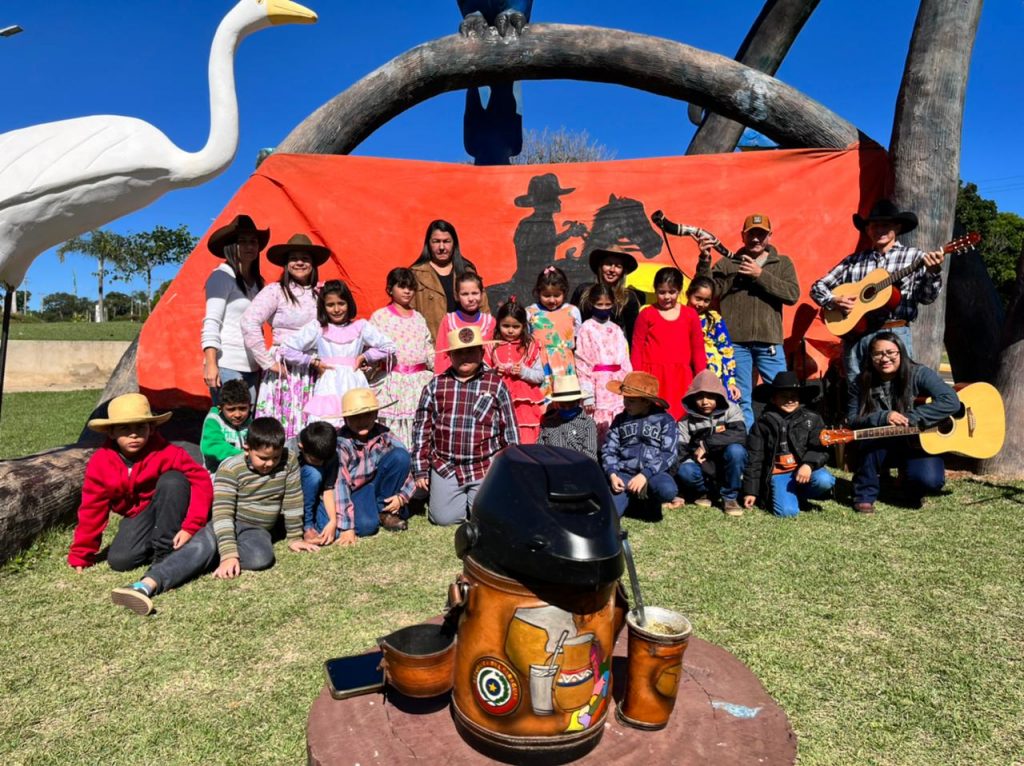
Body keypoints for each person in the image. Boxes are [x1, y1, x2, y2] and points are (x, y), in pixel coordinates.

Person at [110, 417, 321, 616]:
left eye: (275, 458)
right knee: (202, 547)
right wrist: (229, 554)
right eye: (263, 458)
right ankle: (144, 586)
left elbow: (293, 498)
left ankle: (202, 557)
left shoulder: (289, 460)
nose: (270, 464)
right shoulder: (230, 468)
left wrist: (294, 537)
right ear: (247, 448)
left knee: (261, 558)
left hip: (257, 530)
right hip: (226, 523)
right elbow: (223, 513)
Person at [68, 393, 213, 572]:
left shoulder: (167, 452)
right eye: (124, 428)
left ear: (151, 428)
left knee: (173, 480)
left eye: (140, 427)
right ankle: (156, 538)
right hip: (138, 513)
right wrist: (82, 554)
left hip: (169, 505)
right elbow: (92, 508)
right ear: (111, 432)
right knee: (121, 561)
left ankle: (165, 551)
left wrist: (192, 525)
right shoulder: (100, 463)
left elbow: (201, 480)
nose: (134, 434)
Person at [809, 199, 946, 385]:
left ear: (897, 228)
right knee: (856, 390)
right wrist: (834, 301)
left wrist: (933, 273)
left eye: (885, 225)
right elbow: (817, 288)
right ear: (867, 230)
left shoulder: (915, 257)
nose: (879, 230)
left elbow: (927, 298)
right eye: (874, 225)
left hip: (895, 332)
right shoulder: (854, 260)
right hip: (857, 335)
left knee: (895, 389)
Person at [696, 214, 800, 429]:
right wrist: (705, 259)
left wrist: (759, 274)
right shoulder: (727, 263)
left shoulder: (782, 263)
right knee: (740, 397)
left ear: (769, 236)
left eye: (761, 234)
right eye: (751, 233)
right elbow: (708, 290)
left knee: (783, 393)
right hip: (735, 342)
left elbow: (792, 295)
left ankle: (788, 442)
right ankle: (749, 446)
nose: (756, 239)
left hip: (769, 341)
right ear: (743, 236)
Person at [412, 325, 519, 526]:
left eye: (471, 351)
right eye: (459, 352)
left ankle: (480, 499)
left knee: (488, 516)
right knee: (443, 519)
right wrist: (420, 469)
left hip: (485, 465)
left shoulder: (495, 385)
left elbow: (510, 432)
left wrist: (510, 469)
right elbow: (421, 431)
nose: (465, 357)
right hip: (446, 466)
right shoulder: (436, 385)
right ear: (450, 356)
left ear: (481, 352)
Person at [847, 332, 960, 513]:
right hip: (881, 441)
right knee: (871, 443)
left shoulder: (919, 373)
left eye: (891, 352)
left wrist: (912, 417)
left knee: (931, 481)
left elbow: (951, 401)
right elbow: (853, 420)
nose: (885, 358)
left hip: (917, 442)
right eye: (878, 354)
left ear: (901, 352)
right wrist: (883, 416)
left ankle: (907, 486)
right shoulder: (860, 383)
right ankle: (864, 494)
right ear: (870, 357)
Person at [241, 233, 326, 446]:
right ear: (286, 264)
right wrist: (268, 362)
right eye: (294, 258)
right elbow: (249, 321)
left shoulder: (321, 294)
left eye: (305, 258)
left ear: (313, 264)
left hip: (314, 367)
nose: (299, 262)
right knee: (281, 424)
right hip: (285, 369)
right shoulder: (276, 291)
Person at [281, 279, 396, 425]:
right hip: (329, 383)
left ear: (349, 304)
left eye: (341, 303)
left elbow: (389, 346)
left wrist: (365, 356)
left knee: (357, 420)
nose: (336, 309)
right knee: (328, 423)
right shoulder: (318, 327)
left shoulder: (360, 327)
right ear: (323, 307)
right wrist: (312, 361)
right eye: (330, 305)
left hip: (354, 382)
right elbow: (286, 349)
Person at [741, 371, 835, 518]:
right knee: (787, 513)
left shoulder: (813, 419)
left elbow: (820, 448)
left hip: (803, 470)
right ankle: (788, 496)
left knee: (825, 480)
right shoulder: (762, 424)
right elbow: (755, 458)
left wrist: (808, 464)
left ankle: (800, 495)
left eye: (794, 396)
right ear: (773, 399)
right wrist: (750, 491)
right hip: (779, 474)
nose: (790, 400)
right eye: (784, 396)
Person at [331, 388, 417, 543]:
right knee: (365, 527)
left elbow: (406, 464)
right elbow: (340, 484)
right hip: (355, 490)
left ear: (376, 415)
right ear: (345, 419)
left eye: (367, 415)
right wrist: (347, 527)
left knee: (400, 456)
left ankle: (386, 510)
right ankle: (379, 513)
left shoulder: (384, 434)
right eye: (355, 417)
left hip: (378, 483)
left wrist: (403, 496)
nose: (362, 421)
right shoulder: (341, 444)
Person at [201, 214, 267, 404]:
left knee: (248, 423)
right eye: (243, 241)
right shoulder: (221, 276)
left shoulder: (256, 283)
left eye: (253, 242)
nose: (249, 246)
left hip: (252, 365)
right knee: (229, 423)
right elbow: (212, 321)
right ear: (232, 246)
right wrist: (211, 364)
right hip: (227, 363)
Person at [368, 267, 434, 449]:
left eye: (411, 287)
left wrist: (438, 369)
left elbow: (427, 347)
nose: (407, 291)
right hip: (393, 382)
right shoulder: (380, 317)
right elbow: (371, 348)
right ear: (390, 289)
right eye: (402, 286)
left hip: (418, 384)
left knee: (419, 427)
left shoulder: (419, 318)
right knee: (393, 432)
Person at [630, 267, 707, 421]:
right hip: (652, 378)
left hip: (681, 378)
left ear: (679, 290)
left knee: (679, 417)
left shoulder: (690, 315)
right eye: (661, 292)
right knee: (650, 417)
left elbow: (698, 350)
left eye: (672, 292)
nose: (666, 297)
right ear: (655, 290)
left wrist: (701, 380)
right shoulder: (646, 314)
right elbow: (637, 349)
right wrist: (637, 379)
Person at [601, 371, 680, 518]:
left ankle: (649, 500)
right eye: (625, 398)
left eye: (631, 401)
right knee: (610, 515)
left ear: (646, 401)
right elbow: (609, 450)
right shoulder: (620, 420)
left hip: (654, 473)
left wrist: (645, 474)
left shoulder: (666, 420)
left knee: (667, 490)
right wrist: (612, 474)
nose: (625, 404)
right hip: (624, 473)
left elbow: (669, 453)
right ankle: (631, 501)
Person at [675, 369, 748, 516]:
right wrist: (675, 491)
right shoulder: (685, 420)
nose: (705, 402)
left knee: (737, 451)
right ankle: (705, 493)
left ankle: (730, 497)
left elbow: (740, 434)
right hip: (701, 467)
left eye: (710, 396)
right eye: (699, 397)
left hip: (726, 464)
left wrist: (706, 444)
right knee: (685, 470)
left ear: (719, 396)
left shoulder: (731, 410)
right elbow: (679, 452)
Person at [409, 220, 491, 342]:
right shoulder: (416, 274)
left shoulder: (466, 271)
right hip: (433, 347)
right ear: (428, 244)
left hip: (467, 346)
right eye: (436, 241)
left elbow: (484, 310)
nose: (441, 247)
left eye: (446, 241)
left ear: (454, 244)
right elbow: (408, 315)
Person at [575, 282, 632, 441]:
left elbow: (625, 360)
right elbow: (582, 363)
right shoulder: (586, 328)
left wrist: (628, 387)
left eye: (608, 304)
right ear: (591, 304)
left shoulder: (616, 329)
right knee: (597, 431)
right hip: (597, 387)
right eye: (599, 304)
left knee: (618, 427)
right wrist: (587, 394)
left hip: (617, 385)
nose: (604, 307)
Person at [485, 296, 545, 443]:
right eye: (506, 326)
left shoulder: (530, 345)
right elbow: (482, 372)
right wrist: (493, 373)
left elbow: (540, 376)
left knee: (525, 438)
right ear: (498, 324)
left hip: (524, 403)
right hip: (498, 399)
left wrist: (524, 372)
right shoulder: (491, 346)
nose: (510, 331)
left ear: (523, 326)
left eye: (516, 326)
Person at [570, 244, 643, 346]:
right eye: (608, 264)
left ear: (623, 271)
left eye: (618, 266)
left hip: (613, 354)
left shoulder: (628, 298)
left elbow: (633, 334)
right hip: (584, 352)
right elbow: (571, 326)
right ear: (600, 266)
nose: (612, 270)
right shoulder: (583, 291)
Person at [526, 265, 582, 394]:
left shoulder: (572, 311)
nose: (552, 300)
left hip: (566, 365)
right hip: (540, 366)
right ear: (538, 292)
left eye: (557, 295)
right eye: (546, 295)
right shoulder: (530, 312)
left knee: (566, 400)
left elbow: (578, 340)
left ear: (565, 292)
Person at [686, 276, 741, 403]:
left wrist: (730, 381)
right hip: (688, 370)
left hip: (714, 372)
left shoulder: (715, 319)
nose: (701, 304)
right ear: (688, 294)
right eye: (698, 298)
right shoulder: (679, 315)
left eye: (706, 300)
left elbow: (726, 351)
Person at [434, 271, 496, 375]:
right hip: (453, 377)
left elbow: (492, 354)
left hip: (481, 378)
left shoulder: (490, 322)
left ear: (482, 294)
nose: (470, 299)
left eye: (475, 293)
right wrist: (440, 379)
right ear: (457, 296)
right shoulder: (448, 321)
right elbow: (441, 354)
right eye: (465, 294)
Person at [538, 374, 598, 461]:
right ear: (557, 403)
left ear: (578, 402)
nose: (567, 408)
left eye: (571, 404)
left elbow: (590, 456)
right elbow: (540, 450)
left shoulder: (587, 423)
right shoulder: (548, 421)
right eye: (562, 405)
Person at [297, 421, 339, 544]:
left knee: (330, 533)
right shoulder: (291, 451)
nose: (321, 464)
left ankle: (314, 522)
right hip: (296, 499)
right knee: (314, 473)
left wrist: (333, 521)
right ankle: (307, 526)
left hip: (317, 498)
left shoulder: (331, 455)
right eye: (316, 460)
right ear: (301, 447)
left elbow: (328, 489)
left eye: (324, 461)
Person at [200, 378, 252, 472]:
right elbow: (212, 446)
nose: (237, 415)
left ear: (250, 407)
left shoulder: (250, 422)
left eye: (242, 408)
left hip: (244, 470)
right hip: (217, 472)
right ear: (220, 409)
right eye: (231, 409)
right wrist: (244, 455)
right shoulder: (214, 421)